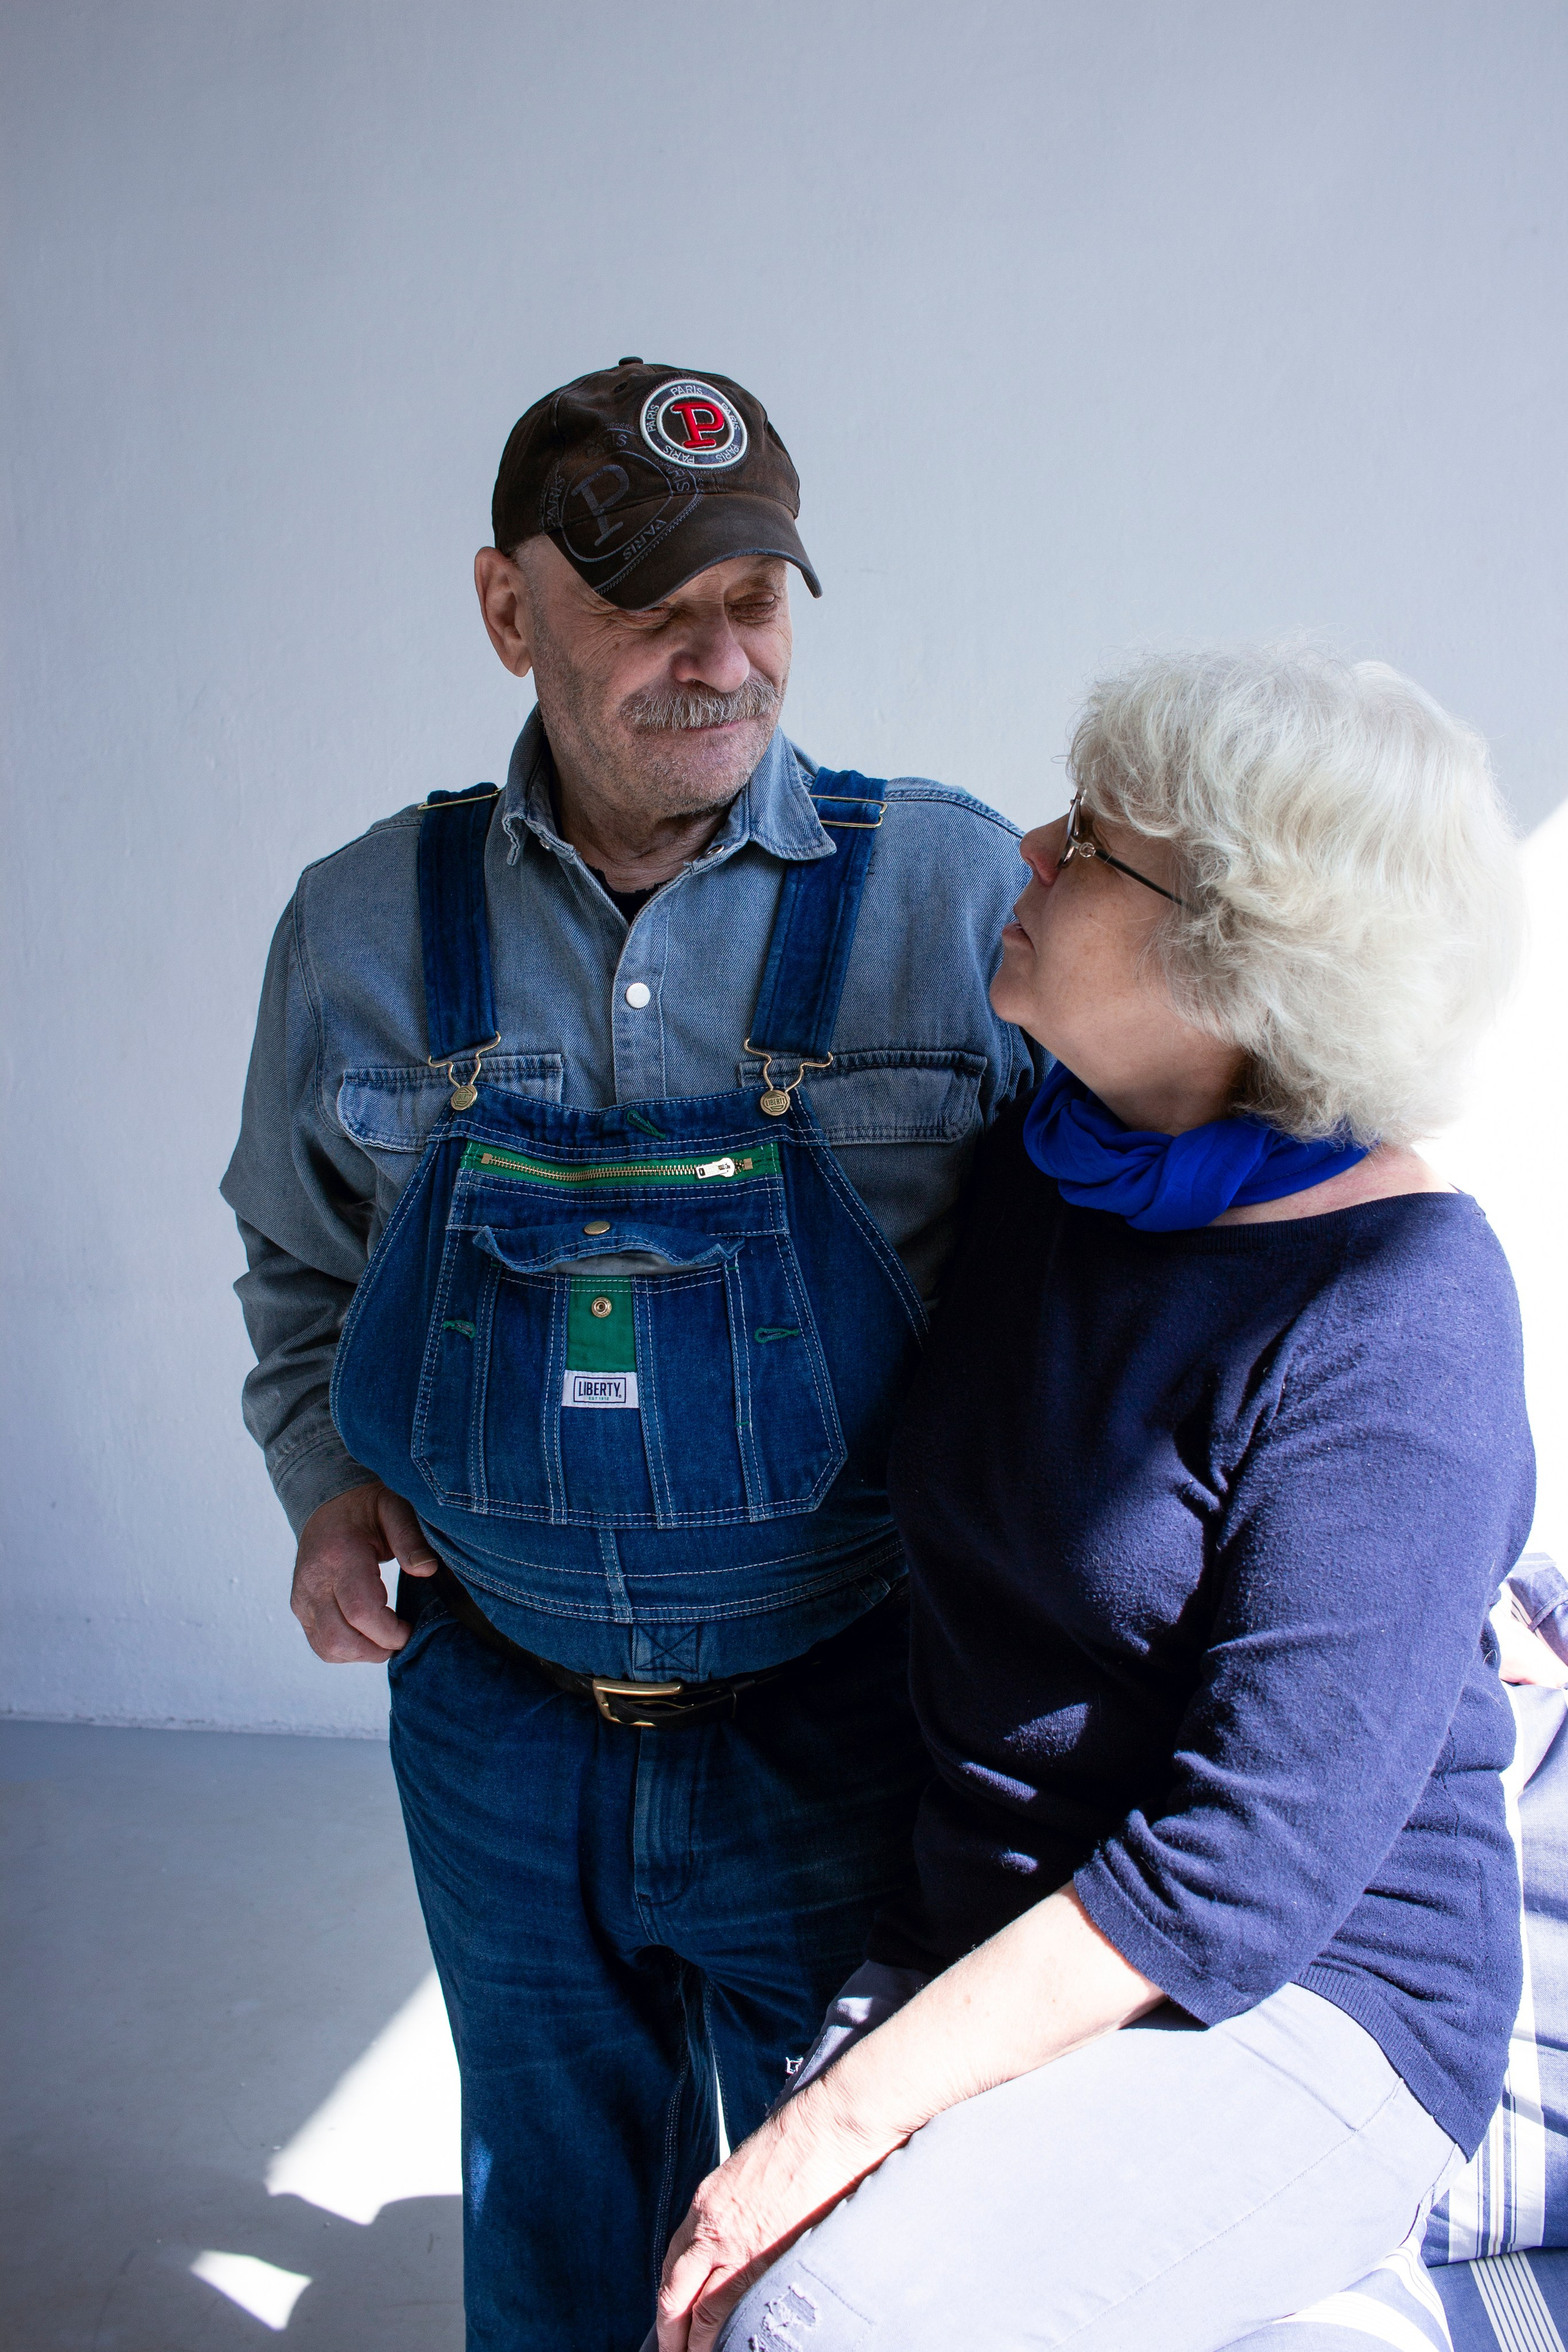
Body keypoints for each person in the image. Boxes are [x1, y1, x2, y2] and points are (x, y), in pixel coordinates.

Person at [219, 358, 1041, 2348]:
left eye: (750, 599)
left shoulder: (952, 894)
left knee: (829, 2264)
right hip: (494, 1721)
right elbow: (294, 1255)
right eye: (647, 607)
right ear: (509, 611)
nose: (717, 657)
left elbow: (1108, 1275)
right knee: (558, 2233)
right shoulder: (359, 926)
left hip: (846, 1712)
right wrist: (325, 1481)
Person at [652, 647, 1536, 2352]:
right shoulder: (1050, 1172)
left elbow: (1243, 1869)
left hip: (1302, 2001)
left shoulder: (1403, 1303)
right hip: (1000, 1917)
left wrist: (839, 2120)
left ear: (1239, 963)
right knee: (719, 2305)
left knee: (810, 2323)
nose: (1028, 857)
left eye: (1090, 847)